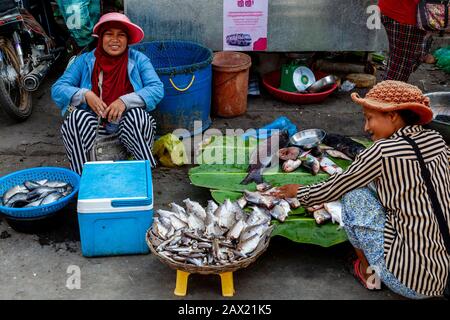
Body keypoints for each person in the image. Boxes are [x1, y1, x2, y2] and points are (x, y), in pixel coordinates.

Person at [275, 80, 450, 299]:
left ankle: (370, 276)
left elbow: (336, 187)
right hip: (444, 272)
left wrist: (298, 192)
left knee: (353, 196)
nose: (365, 128)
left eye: (369, 118)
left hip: (410, 281)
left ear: (392, 115)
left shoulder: (381, 151)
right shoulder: (437, 140)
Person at [51, 12, 164, 174]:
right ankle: (83, 177)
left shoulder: (139, 59)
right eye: (109, 34)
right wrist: (85, 95)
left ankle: (143, 172)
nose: (115, 39)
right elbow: (58, 89)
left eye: (121, 35)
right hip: (95, 128)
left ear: (128, 40)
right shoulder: (84, 61)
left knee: (137, 117)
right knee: (75, 119)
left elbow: (156, 88)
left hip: (129, 128)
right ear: (101, 37)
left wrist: (124, 102)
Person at [378, 0, 427, 81]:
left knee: (396, 64)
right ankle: (388, 92)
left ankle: (386, 90)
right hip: (405, 14)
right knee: (399, 71)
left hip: (397, 11)